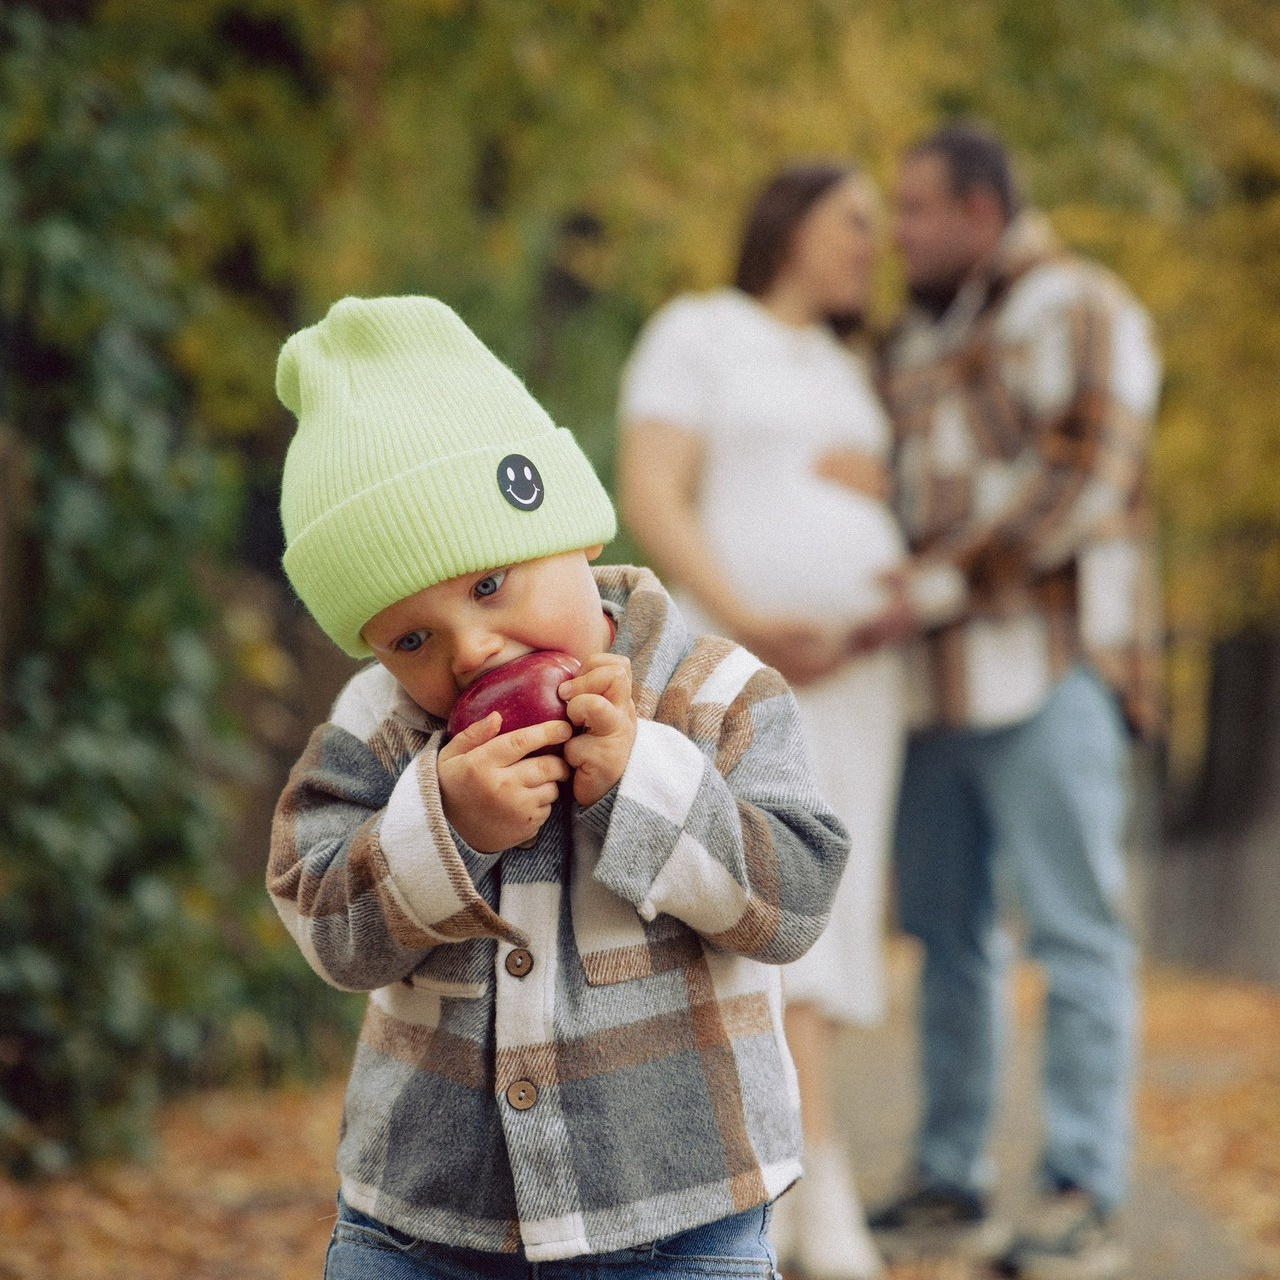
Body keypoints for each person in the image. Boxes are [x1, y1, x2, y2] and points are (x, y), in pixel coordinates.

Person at [266, 294, 852, 1280]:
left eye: (490, 583)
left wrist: (647, 780)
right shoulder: (376, 726)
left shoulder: (715, 696)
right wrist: (442, 826)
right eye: (412, 637)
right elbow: (322, 921)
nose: (471, 649)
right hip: (421, 1222)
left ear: (576, 531)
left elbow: (793, 899)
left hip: (680, 1214)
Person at [857, 122, 1163, 1280]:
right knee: (943, 939)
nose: (899, 233)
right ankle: (949, 1179)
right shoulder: (908, 341)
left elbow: (1083, 479)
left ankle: (1082, 1188)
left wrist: (932, 581)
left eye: (916, 210)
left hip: (1049, 671)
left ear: (980, 212)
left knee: (1076, 932)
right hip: (931, 692)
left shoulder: (1078, 304)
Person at [616, 163, 908, 1280]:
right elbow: (652, 491)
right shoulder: (697, 331)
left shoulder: (850, 366)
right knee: (739, 888)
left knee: (828, 893)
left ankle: (795, 1174)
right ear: (785, 220)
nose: (867, 247)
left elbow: (877, 502)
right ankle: (795, 1178)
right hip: (738, 668)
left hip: (853, 679)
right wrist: (744, 618)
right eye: (851, 223)